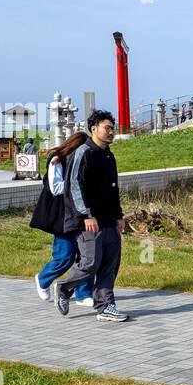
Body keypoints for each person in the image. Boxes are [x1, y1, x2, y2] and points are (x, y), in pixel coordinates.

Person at [54, 110, 128, 322]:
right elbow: (76, 186)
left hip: (108, 219)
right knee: (90, 262)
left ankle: (105, 306)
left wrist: (119, 216)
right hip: (88, 220)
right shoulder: (84, 152)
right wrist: (86, 215)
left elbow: (114, 189)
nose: (111, 132)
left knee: (110, 263)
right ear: (94, 129)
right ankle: (63, 288)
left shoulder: (108, 155)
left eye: (113, 128)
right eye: (108, 128)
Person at [31, 131, 94, 308]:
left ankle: (84, 294)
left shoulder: (86, 162)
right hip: (63, 215)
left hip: (82, 214)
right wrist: (77, 186)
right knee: (65, 256)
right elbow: (55, 187)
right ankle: (43, 278)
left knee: (86, 257)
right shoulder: (57, 160)